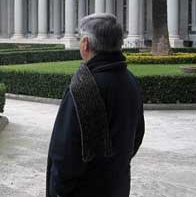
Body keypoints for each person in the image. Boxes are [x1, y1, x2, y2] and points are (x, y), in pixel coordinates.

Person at [46, 13, 145, 197]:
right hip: (118, 185)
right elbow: (137, 135)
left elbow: (65, 155)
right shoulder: (130, 80)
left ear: (85, 44)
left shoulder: (86, 86)